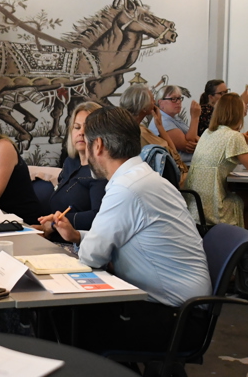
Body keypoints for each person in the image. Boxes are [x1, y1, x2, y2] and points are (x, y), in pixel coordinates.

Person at [46, 106, 212, 352]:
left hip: (173, 319)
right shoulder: (144, 177)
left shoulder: (126, 188)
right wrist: (78, 235)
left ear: (98, 145)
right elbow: (117, 235)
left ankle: (100, 375)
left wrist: (83, 243)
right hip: (183, 310)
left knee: (57, 315)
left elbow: (92, 256)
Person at [185, 93, 248, 231]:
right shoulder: (234, 137)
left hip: (194, 203)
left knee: (242, 194)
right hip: (212, 208)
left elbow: (229, 149)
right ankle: (244, 240)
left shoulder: (208, 133)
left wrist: (244, 138)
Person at [37, 101, 107, 244]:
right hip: (55, 238)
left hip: (80, 245)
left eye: (88, 128)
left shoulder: (100, 170)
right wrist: (47, 225)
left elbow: (99, 216)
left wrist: (55, 223)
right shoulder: (71, 162)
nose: (81, 132)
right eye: (77, 127)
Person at [119, 84, 188, 184]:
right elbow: (173, 155)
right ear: (143, 108)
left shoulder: (134, 127)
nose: (154, 102)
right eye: (152, 99)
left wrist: (159, 125)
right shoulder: (140, 133)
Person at [151, 84, 199, 164]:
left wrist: (199, 142)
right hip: (183, 167)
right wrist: (195, 118)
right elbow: (189, 145)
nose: (178, 102)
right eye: (173, 99)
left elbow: (195, 138)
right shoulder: (162, 121)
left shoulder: (174, 117)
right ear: (161, 102)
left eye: (179, 98)